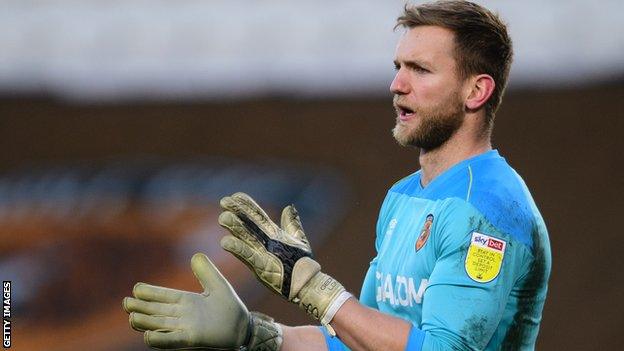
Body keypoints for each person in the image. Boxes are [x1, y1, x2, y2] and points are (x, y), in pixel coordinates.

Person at [122, 1, 551, 350]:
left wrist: (314, 288)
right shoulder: (404, 197)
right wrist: (259, 336)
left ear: (476, 91)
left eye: (419, 70)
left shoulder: (487, 210)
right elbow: (362, 340)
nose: (396, 84)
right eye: (398, 67)